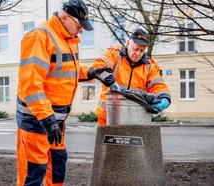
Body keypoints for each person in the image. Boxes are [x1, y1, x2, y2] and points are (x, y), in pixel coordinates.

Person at [16, 0, 114, 185]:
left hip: (55, 121)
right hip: (37, 120)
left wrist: (91, 72)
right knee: (33, 173)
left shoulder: (69, 39)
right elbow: (31, 85)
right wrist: (47, 120)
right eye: (79, 26)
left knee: (58, 164)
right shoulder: (39, 37)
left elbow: (65, 72)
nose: (81, 31)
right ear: (64, 17)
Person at [92, 28, 171, 126]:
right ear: (128, 43)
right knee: (107, 141)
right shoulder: (114, 55)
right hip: (108, 115)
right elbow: (98, 67)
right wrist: (110, 81)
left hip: (134, 117)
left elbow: (158, 86)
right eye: (135, 49)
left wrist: (164, 98)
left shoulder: (149, 66)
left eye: (142, 50)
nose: (138, 53)